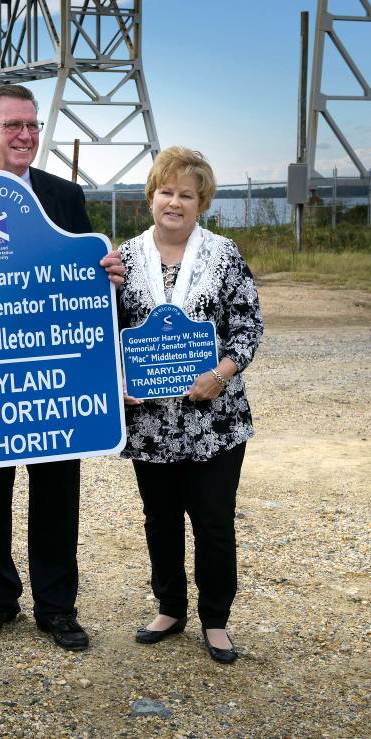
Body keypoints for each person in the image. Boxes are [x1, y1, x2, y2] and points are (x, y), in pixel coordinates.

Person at [0, 84, 124, 651]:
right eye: (14, 125)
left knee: (57, 491)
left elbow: (87, 275)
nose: (26, 136)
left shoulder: (65, 196)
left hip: (52, 373)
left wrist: (105, 275)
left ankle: (57, 607)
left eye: (33, 126)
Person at [116, 146, 263, 664]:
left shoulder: (225, 254)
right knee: (160, 519)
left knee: (214, 520)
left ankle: (216, 619)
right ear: (150, 197)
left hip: (214, 419)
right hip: (149, 420)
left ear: (202, 203)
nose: (174, 201)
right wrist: (118, 380)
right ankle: (170, 607)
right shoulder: (122, 258)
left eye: (186, 194)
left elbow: (248, 326)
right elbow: (101, 331)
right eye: (165, 191)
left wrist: (220, 375)